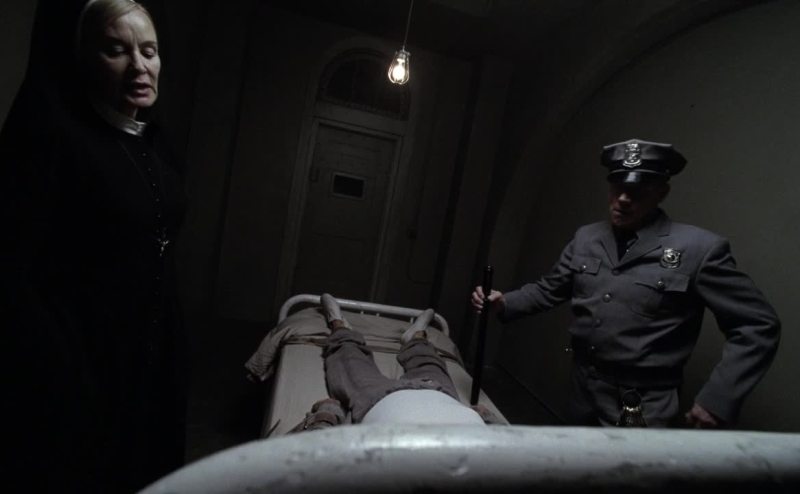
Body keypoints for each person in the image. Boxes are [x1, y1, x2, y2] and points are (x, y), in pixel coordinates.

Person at [2, 0, 186, 491]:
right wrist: (61, 365)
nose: (139, 66)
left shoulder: (156, 144)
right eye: (116, 50)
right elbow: (14, 271)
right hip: (81, 361)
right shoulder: (54, 140)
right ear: (83, 58)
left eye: (149, 51)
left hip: (148, 355)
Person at [471, 139, 780, 429]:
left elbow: (757, 324)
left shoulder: (699, 249)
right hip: (583, 390)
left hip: (644, 402)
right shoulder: (587, 238)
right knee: (576, 461)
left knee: (630, 469)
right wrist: (504, 302)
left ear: (661, 192)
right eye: (618, 187)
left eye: (638, 190)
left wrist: (718, 398)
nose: (623, 199)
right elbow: (550, 288)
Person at [290, 294, 500, 431]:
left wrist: (327, 414)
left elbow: (308, 457)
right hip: (439, 394)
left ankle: (339, 325)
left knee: (349, 359)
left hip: (376, 399)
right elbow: (509, 443)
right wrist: (488, 419)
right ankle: (416, 337)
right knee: (429, 362)